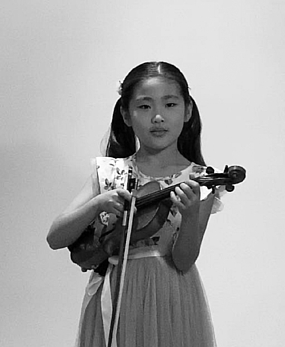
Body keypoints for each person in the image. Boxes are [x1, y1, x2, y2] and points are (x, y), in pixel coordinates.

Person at [47, 61, 225, 347]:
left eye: (170, 105)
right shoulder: (108, 172)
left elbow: (183, 260)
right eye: (144, 106)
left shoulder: (199, 179)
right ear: (126, 115)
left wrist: (191, 216)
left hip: (170, 298)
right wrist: (96, 205)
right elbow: (55, 237)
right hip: (116, 293)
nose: (157, 117)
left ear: (188, 111)